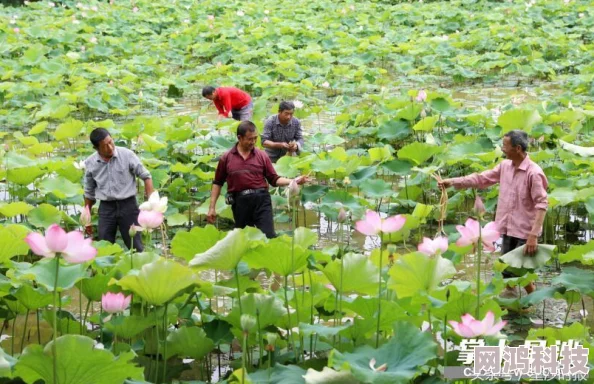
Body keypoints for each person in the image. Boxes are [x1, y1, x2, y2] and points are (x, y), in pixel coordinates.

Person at [439, 130, 548, 295]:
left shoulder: (534, 173)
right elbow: (481, 179)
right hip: (506, 227)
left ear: (517, 148)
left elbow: (542, 204)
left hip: (525, 232)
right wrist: (452, 182)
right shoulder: (505, 167)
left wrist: (533, 235)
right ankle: (511, 303)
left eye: (505, 145)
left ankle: (533, 304)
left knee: (521, 274)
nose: (502, 149)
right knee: (506, 273)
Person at [207, 121, 306, 238]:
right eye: (250, 139)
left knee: (268, 236)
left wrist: (293, 181)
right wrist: (212, 208)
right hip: (240, 202)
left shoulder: (261, 155)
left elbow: (274, 179)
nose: (253, 142)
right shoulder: (227, 158)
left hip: (262, 200)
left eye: (255, 138)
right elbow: (217, 183)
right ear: (239, 137)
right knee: (243, 239)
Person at [83, 128, 154, 251]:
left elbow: (146, 176)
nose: (110, 147)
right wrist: (87, 219)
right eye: (105, 146)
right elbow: (89, 193)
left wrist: (151, 204)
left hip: (128, 206)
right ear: (96, 148)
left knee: (136, 246)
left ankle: (140, 267)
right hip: (106, 208)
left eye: (111, 142)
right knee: (104, 248)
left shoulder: (127, 155)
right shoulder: (90, 163)